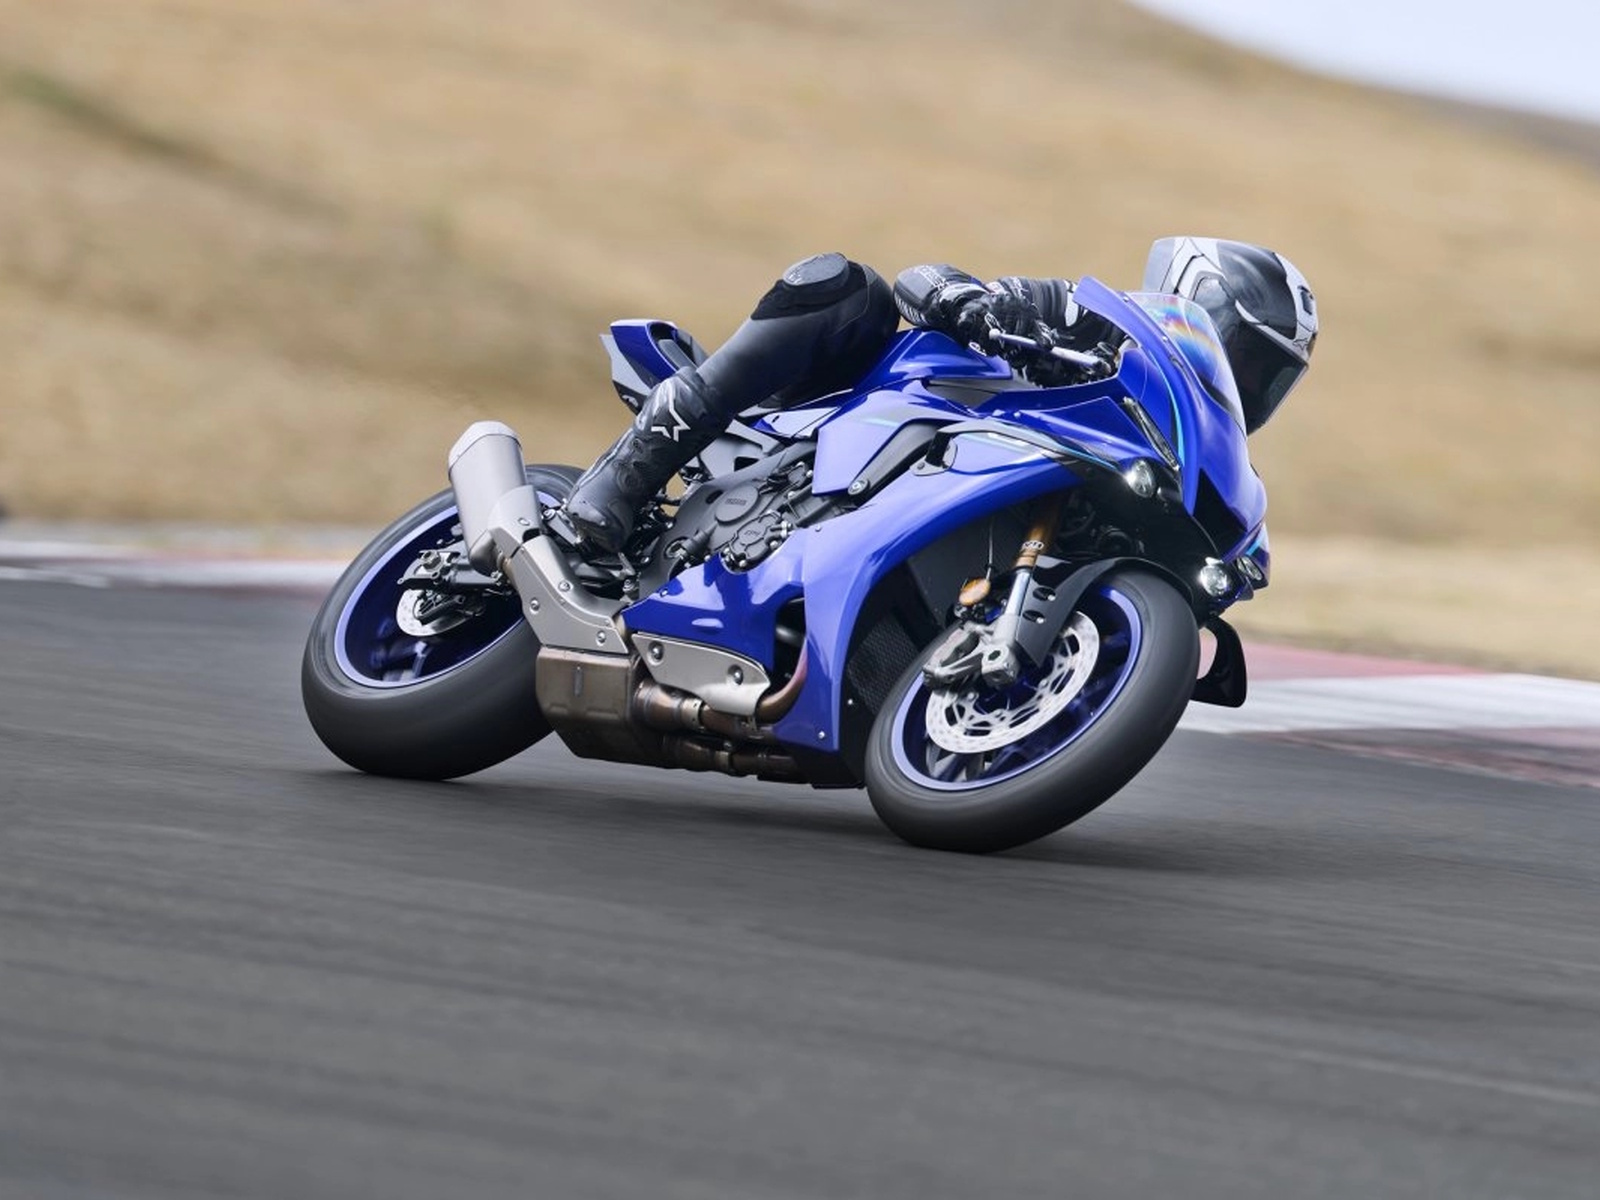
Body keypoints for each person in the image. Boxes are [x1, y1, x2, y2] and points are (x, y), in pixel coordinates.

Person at [564, 240, 1316, 553]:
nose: (1248, 384)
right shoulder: (1092, 320)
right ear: (1198, 300)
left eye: (1267, 379)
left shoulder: (1175, 454)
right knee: (847, 287)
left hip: (999, 507)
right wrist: (971, 303)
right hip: (866, 425)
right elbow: (927, 279)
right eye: (1249, 358)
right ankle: (626, 474)